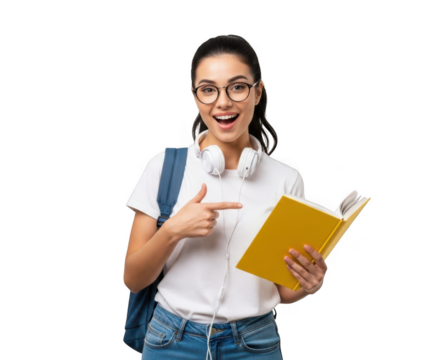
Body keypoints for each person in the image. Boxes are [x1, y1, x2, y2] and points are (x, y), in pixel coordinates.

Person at [123, 34, 328, 360]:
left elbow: (284, 292)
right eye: (208, 89)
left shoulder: (287, 180)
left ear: (258, 91)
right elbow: (133, 279)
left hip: (254, 342)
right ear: (195, 97)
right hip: (170, 340)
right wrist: (173, 230)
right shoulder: (163, 167)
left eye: (237, 87)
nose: (222, 102)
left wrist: (310, 282)